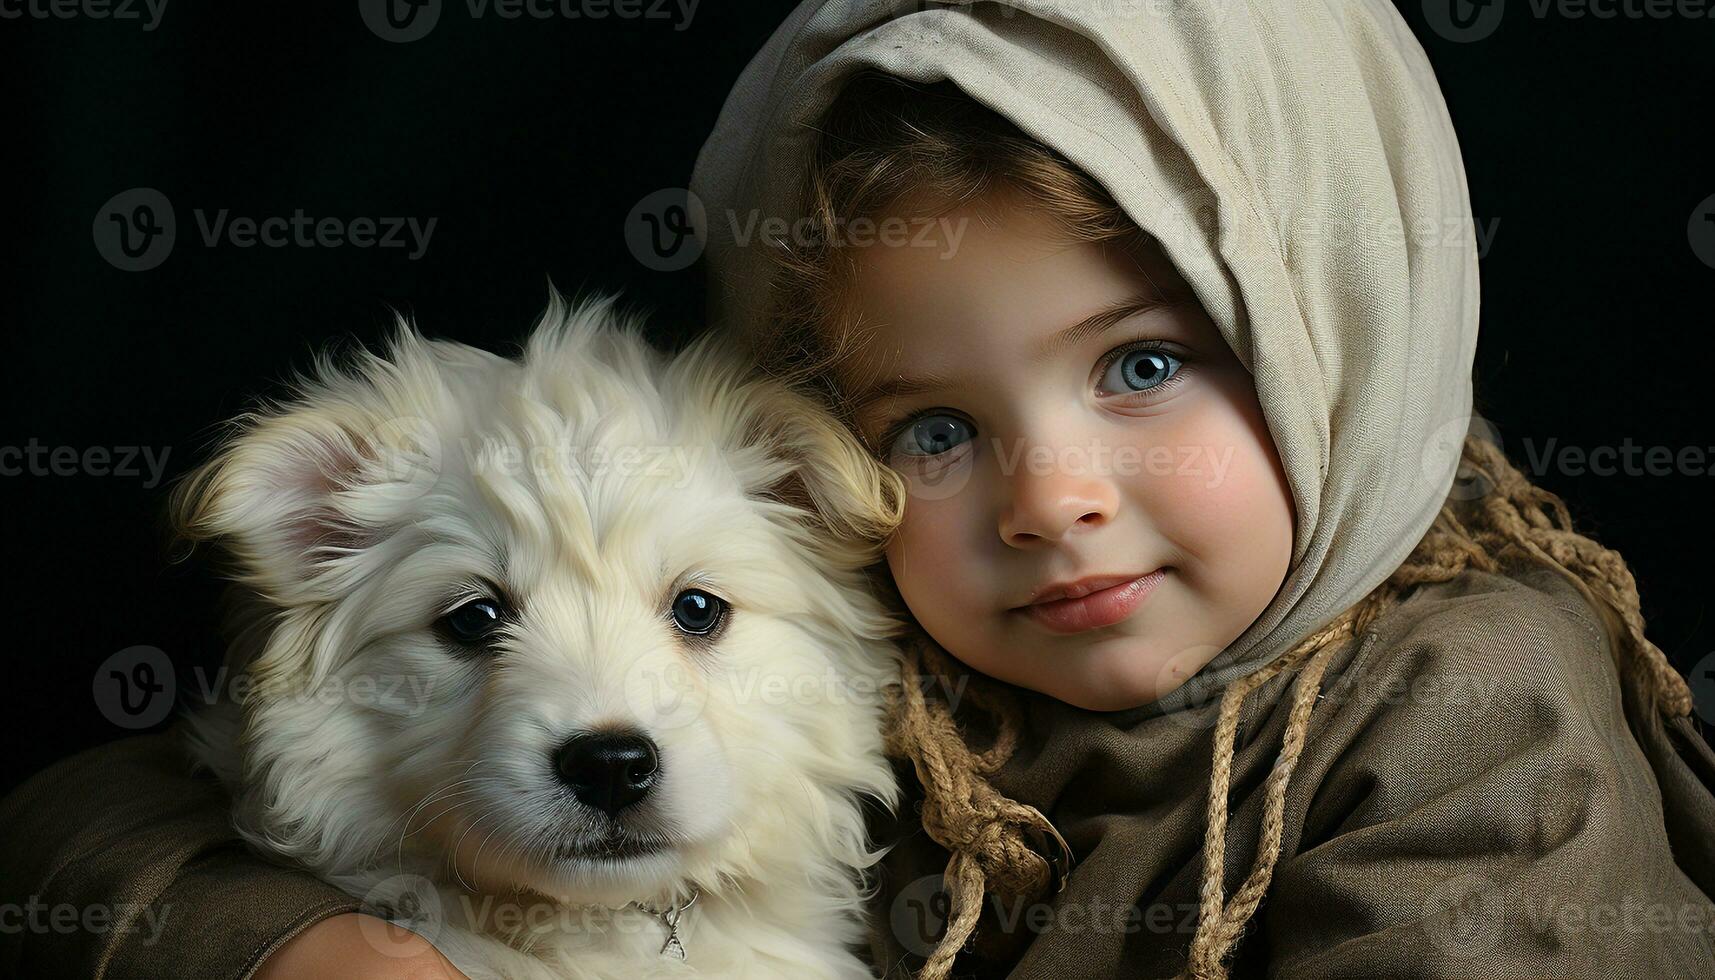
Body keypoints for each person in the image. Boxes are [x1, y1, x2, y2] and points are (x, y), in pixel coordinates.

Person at [3, 2, 1711, 979]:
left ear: (1348, 328)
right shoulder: (908, 642)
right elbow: (83, 819)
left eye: (1140, 365)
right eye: (933, 429)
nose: (1047, 499)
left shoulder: (1476, 711)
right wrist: (280, 949)